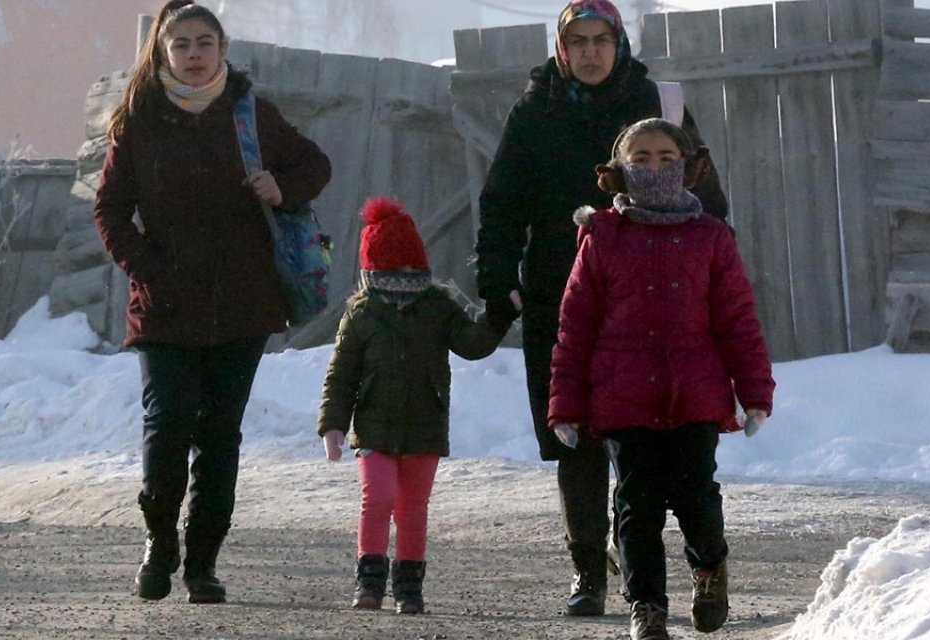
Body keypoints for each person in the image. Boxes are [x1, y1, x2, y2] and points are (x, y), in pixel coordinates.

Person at [473, 0, 730, 617]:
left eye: (600, 40)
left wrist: (712, 275)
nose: (590, 52)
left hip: (649, 309)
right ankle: (588, 571)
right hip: (561, 299)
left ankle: (680, 565)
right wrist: (496, 275)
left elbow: (707, 198)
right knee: (573, 438)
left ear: (619, 44)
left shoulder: (657, 108)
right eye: (578, 41)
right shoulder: (535, 113)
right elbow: (503, 201)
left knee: (650, 447)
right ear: (562, 49)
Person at [93, 0, 331, 604]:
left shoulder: (251, 115)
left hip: (243, 302)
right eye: (182, 46)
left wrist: (282, 189)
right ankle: (158, 541)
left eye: (205, 44)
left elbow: (315, 164)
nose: (194, 56)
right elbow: (111, 209)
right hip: (165, 303)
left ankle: (203, 562)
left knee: (220, 434)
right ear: (163, 53)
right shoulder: (139, 121)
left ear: (222, 50)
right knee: (167, 424)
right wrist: (146, 267)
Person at [547, 117, 773, 639]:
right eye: (641, 158)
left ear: (688, 167)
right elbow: (575, 326)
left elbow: (737, 319)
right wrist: (566, 404)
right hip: (622, 398)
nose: (654, 167)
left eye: (666, 157)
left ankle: (710, 570)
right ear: (620, 171)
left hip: (696, 393)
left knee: (697, 496)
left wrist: (755, 391)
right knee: (635, 506)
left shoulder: (710, 237)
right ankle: (646, 605)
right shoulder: (602, 236)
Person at [316, 197, 512, 615]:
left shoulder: (437, 306)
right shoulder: (362, 313)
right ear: (374, 268)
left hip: (424, 424)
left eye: (409, 267)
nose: (403, 278)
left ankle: (409, 587)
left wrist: (499, 316)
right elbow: (341, 375)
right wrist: (332, 424)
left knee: (412, 509)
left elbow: (472, 344)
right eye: (393, 268)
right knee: (378, 498)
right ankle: (369, 582)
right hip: (373, 428)